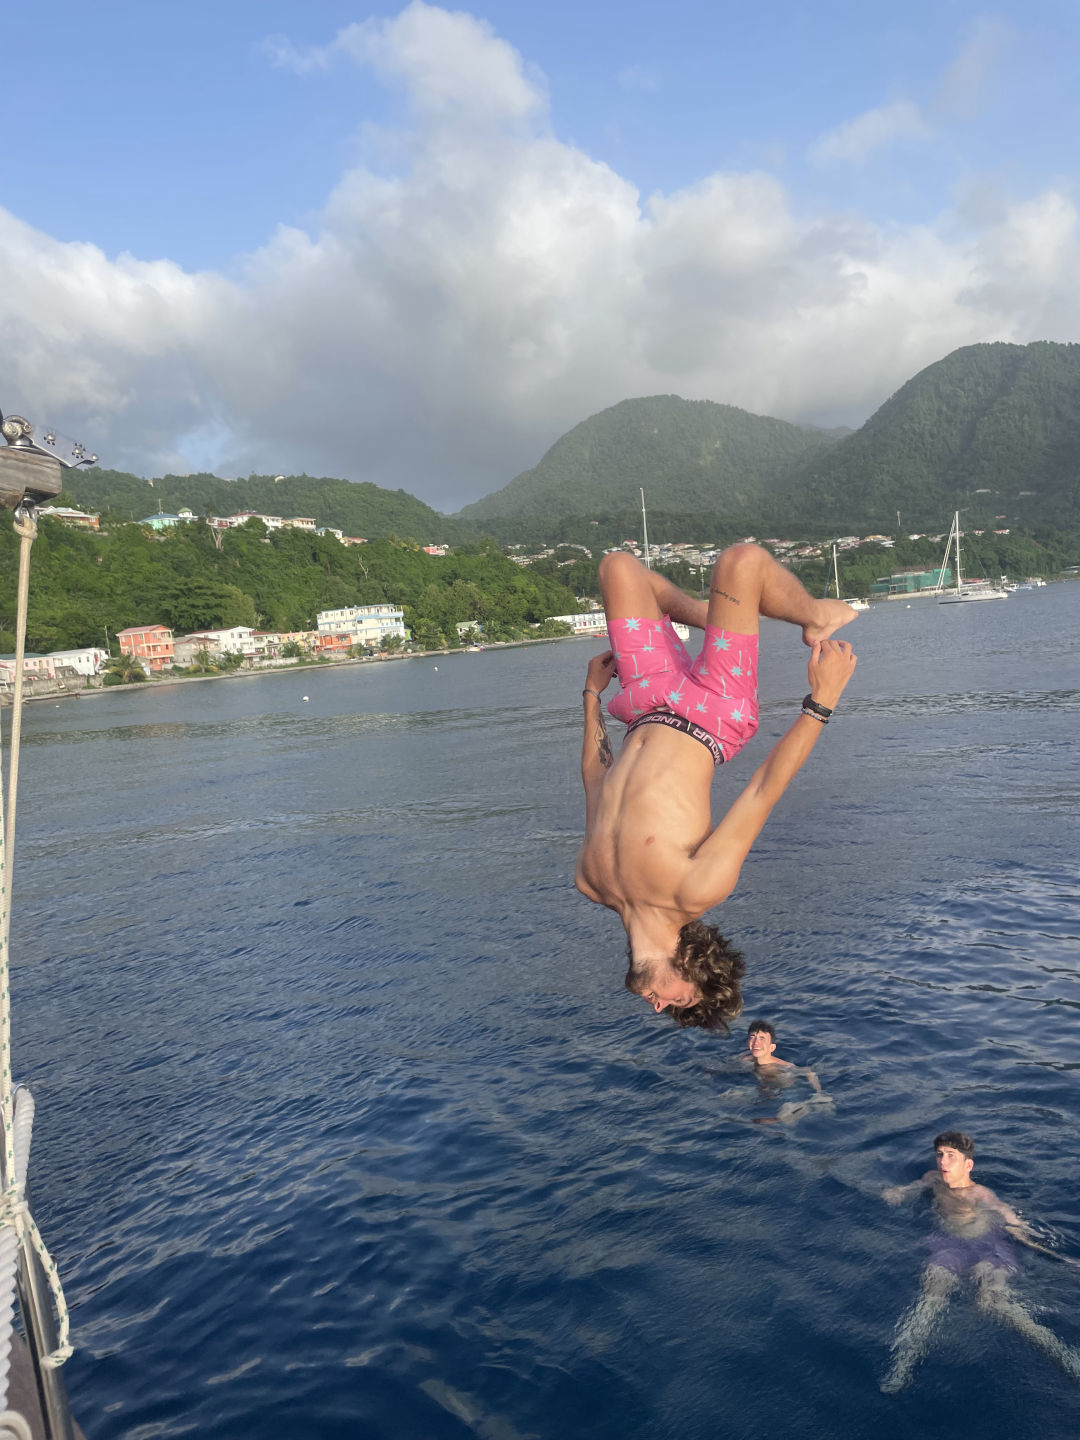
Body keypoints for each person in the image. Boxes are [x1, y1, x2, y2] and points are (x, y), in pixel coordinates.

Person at [575, 543, 857, 1029]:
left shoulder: (592, 883)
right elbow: (762, 790)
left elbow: (596, 780)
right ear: (694, 967)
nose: (658, 1006)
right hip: (715, 712)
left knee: (617, 566)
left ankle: (707, 615)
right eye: (679, 1003)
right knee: (741, 562)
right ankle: (813, 615)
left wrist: (591, 696)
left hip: (644, 701)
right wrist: (822, 700)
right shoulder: (696, 890)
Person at [880, 1131, 1080, 1393]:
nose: (943, 1161)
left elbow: (1019, 1229)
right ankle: (902, 1366)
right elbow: (909, 1190)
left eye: (951, 1156)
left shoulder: (981, 1195)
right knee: (931, 1293)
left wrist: (1063, 1260)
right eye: (940, 1154)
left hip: (989, 1249)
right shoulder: (932, 1180)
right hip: (949, 1245)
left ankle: (1066, 1357)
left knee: (991, 1302)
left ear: (968, 1164)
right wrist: (897, 1192)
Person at [745, 1019, 832, 1125]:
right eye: (752, 1037)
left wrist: (818, 1093)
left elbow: (808, 1072)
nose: (756, 1042)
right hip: (768, 1094)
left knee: (781, 1121)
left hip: (789, 1096)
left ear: (772, 1047)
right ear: (748, 1042)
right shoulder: (745, 1060)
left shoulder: (784, 1066)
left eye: (762, 1038)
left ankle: (810, 1106)